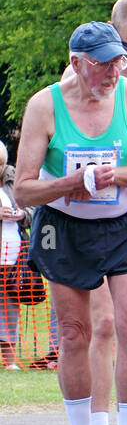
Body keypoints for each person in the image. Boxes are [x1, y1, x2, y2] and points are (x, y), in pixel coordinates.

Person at [14, 22, 127, 425]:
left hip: (123, 226)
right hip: (64, 228)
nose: (113, 70)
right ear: (76, 62)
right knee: (76, 333)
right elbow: (22, 190)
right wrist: (69, 184)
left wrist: (113, 175)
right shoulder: (45, 105)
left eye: (118, 60)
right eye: (102, 62)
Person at [0, 142, 34, 368]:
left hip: (14, 256)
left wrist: (22, 215)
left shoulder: (15, 179)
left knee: (10, 307)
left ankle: (10, 360)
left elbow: (34, 209)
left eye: (1, 164)